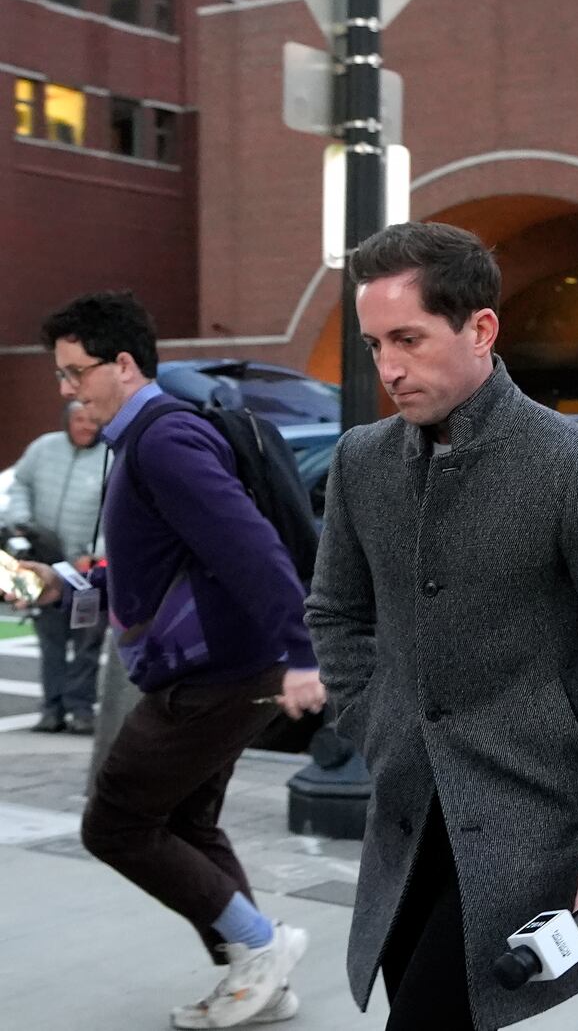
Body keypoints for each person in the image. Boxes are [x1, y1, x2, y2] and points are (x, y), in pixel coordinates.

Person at [304, 222, 578, 1031]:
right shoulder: (362, 461)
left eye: (408, 338)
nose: (389, 367)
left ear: (480, 329)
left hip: (530, 820)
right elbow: (335, 611)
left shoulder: (575, 467)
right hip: (406, 812)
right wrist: (371, 720)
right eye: (374, 345)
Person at [3, 292, 326, 1029]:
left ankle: (263, 945)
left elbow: (252, 549)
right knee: (186, 820)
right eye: (60, 375)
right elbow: (153, 570)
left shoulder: (162, 441)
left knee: (113, 823)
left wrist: (303, 654)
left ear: (124, 363)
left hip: (210, 674)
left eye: (75, 372)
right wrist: (61, 584)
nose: (66, 390)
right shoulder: (140, 440)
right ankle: (261, 975)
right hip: (223, 666)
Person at [6, 400, 109, 733]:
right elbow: (19, 484)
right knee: (49, 642)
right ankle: (51, 710)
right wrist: (21, 520)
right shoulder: (42, 448)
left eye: (91, 419)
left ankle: (81, 711)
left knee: (86, 643)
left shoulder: (112, 456)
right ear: (66, 421)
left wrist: (97, 553)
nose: (86, 426)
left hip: (87, 570)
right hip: (40, 561)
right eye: (79, 419)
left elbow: (120, 512)